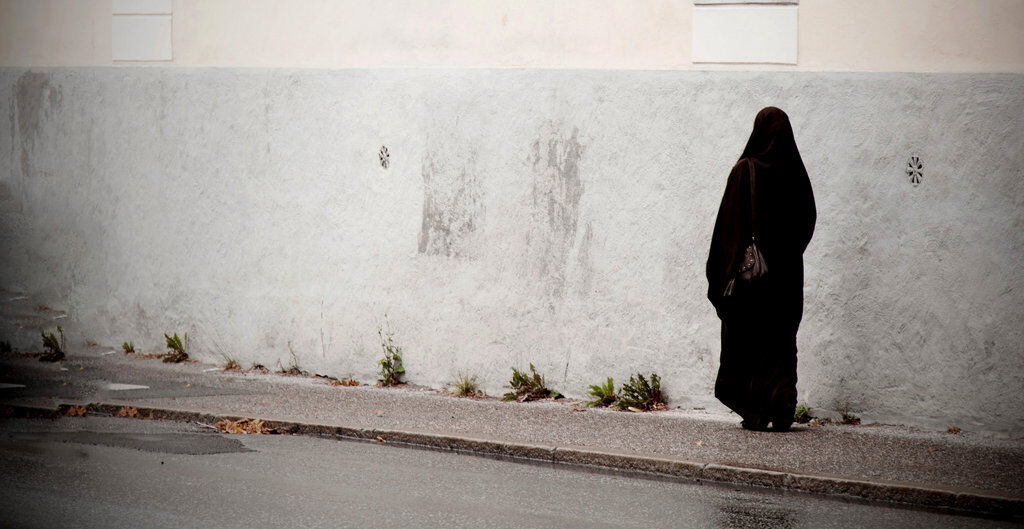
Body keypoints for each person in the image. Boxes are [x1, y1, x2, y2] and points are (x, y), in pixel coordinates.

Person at [706, 107, 816, 432]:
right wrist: (788, 254)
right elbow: (808, 219)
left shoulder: (745, 171)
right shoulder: (795, 173)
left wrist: (721, 274)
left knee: (749, 341)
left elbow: (726, 230)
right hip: (786, 279)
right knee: (781, 343)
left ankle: (755, 411)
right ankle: (781, 408)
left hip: (753, 282)